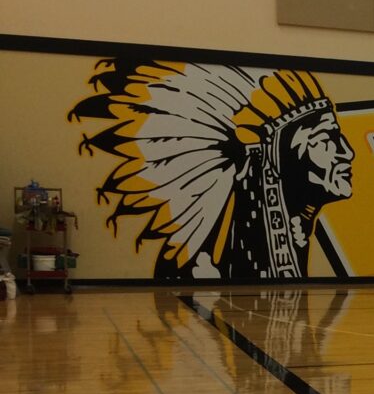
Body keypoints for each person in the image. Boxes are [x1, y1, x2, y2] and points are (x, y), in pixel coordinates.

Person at [72, 61, 354, 280]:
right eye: (325, 139)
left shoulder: (292, 236)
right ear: (273, 157)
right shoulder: (204, 271)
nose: (347, 152)